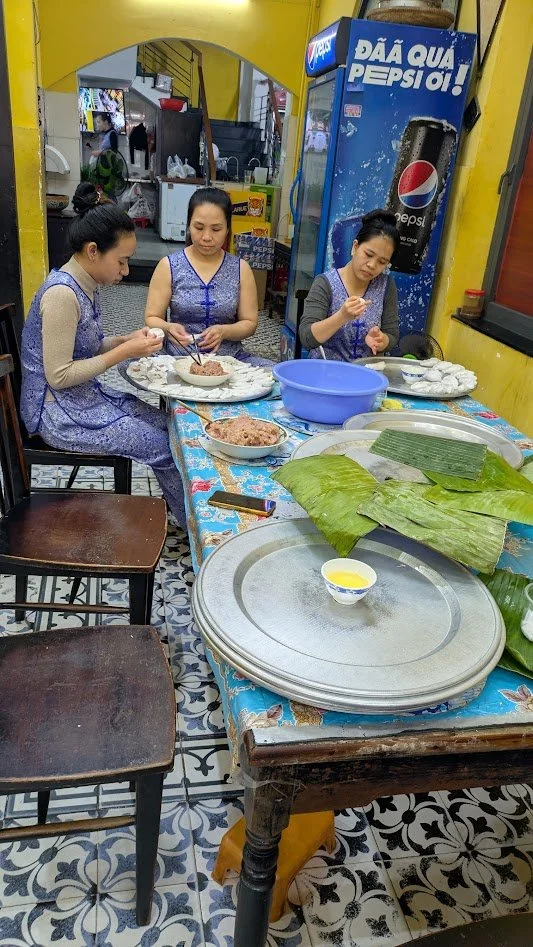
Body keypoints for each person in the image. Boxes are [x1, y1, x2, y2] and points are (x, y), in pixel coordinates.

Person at [20, 182, 186, 527]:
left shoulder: (85, 285)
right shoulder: (63, 295)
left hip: (84, 398)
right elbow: (59, 375)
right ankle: (193, 528)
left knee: (172, 425)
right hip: (56, 413)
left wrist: (127, 338)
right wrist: (126, 350)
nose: (125, 271)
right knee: (164, 447)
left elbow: (89, 348)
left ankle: (184, 510)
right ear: (93, 250)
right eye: (122, 261)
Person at [144, 187, 271, 365]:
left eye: (216, 229)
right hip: (178, 357)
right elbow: (152, 317)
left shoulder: (241, 269)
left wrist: (224, 331)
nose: (206, 237)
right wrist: (168, 328)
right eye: (199, 227)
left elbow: (249, 323)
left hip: (228, 359)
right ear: (188, 225)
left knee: (274, 376)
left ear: (228, 229)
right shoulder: (168, 266)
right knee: (131, 364)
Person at [299, 209, 400, 361]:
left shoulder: (386, 286)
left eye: (382, 262)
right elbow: (307, 337)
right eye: (368, 254)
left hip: (365, 377)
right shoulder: (326, 283)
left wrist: (381, 340)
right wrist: (341, 316)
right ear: (355, 247)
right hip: (325, 374)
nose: (372, 265)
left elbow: (392, 335)